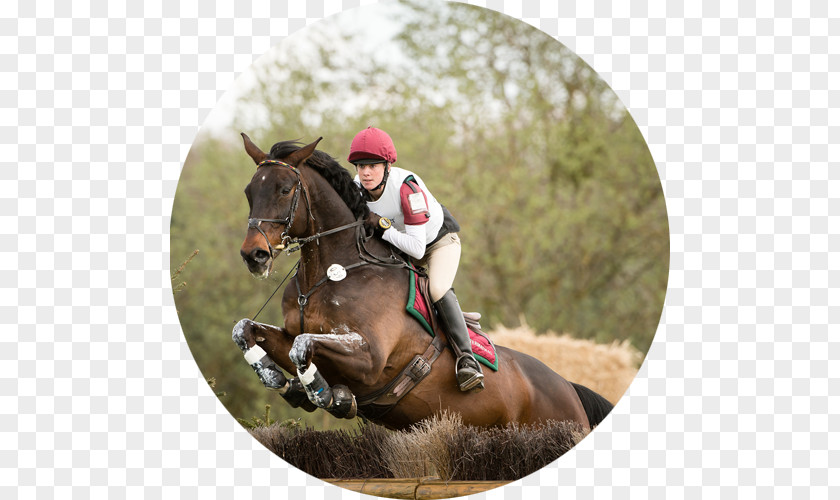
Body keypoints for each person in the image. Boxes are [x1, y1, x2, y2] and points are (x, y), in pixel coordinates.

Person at [348, 126, 484, 392]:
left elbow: (418, 249)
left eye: (373, 165)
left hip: (437, 245)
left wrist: (384, 227)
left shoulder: (407, 188)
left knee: (437, 288)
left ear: (387, 166)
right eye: (360, 165)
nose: (365, 172)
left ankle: (467, 360)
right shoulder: (355, 189)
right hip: (399, 250)